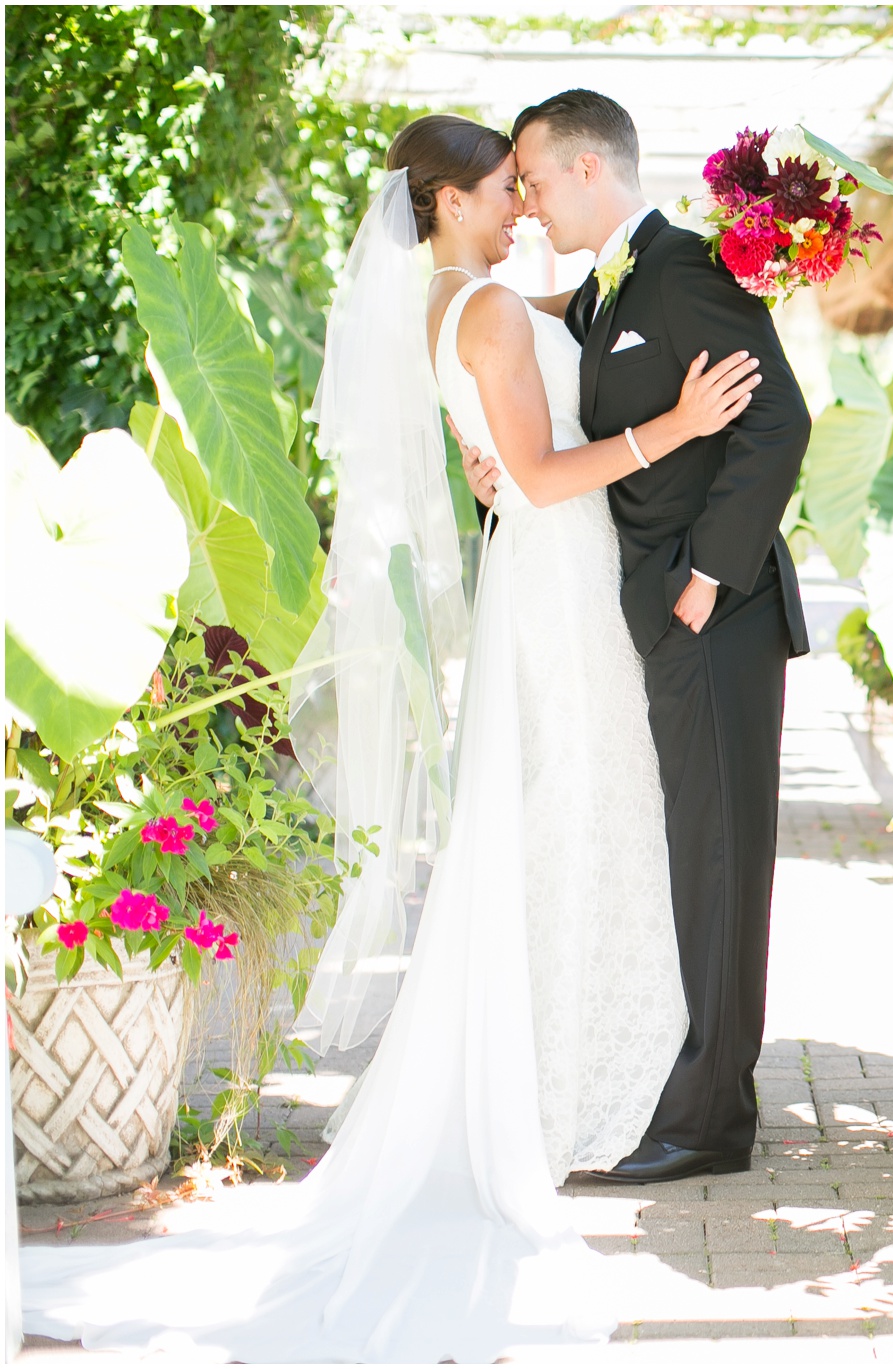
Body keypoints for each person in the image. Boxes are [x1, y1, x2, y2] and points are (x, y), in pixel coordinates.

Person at [18, 113, 757, 1360]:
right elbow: (535, 470)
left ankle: (569, 1076)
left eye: (528, 183)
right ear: (446, 200)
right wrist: (674, 431)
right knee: (578, 808)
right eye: (499, 188)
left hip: (540, 575)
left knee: (564, 812)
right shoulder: (484, 312)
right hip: (561, 578)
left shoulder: (451, 304)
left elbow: (531, 405)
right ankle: (561, 1090)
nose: (521, 203)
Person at [495, 89, 811, 1185]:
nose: (526, 203)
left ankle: (710, 1121)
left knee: (722, 858)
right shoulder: (610, 287)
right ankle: (694, 1090)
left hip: (716, 616)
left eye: (532, 180)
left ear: (591, 170)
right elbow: (532, 345)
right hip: (663, 615)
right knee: (693, 854)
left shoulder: (682, 271)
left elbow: (779, 420)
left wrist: (705, 578)